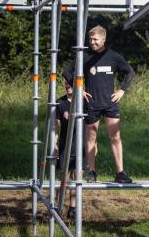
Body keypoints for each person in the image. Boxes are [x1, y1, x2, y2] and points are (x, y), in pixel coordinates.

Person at [63, 25, 135, 183]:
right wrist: (79, 89)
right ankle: (92, 172)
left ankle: (120, 173)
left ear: (103, 39)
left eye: (95, 39)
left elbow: (130, 72)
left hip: (110, 103)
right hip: (91, 104)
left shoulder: (113, 56)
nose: (92, 42)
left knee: (115, 137)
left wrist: (122, 90)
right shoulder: (84, 56)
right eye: (90, 39)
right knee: (90, 138)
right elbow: (67, 72)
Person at [54, 82, 85, 220]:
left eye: (70, 83)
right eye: (66, 83)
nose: (68, 85)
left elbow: (91, 126)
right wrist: (54, 145)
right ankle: (57, 207)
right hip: (65, 148)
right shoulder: (59, 103)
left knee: (77, 178)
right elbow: (55, 127)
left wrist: (93, 145)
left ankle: (72, 209)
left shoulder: (84, 101)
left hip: (81, 147)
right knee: (63, 179)